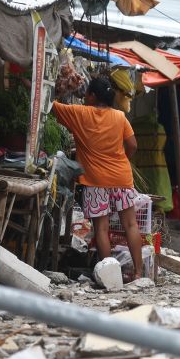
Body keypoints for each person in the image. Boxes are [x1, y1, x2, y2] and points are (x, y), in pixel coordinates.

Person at [52, 75, 145, 280]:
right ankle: (138, 273)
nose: (84, 97)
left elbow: (49, 105)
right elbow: (133, 146)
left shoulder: (79, 113)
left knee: (101, 228)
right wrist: (121, 160)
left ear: (92, 96)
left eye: (86, 93)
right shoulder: (120, 117)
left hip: (95, 182)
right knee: (130, 225)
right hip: (121, 178)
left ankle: (111, 277)